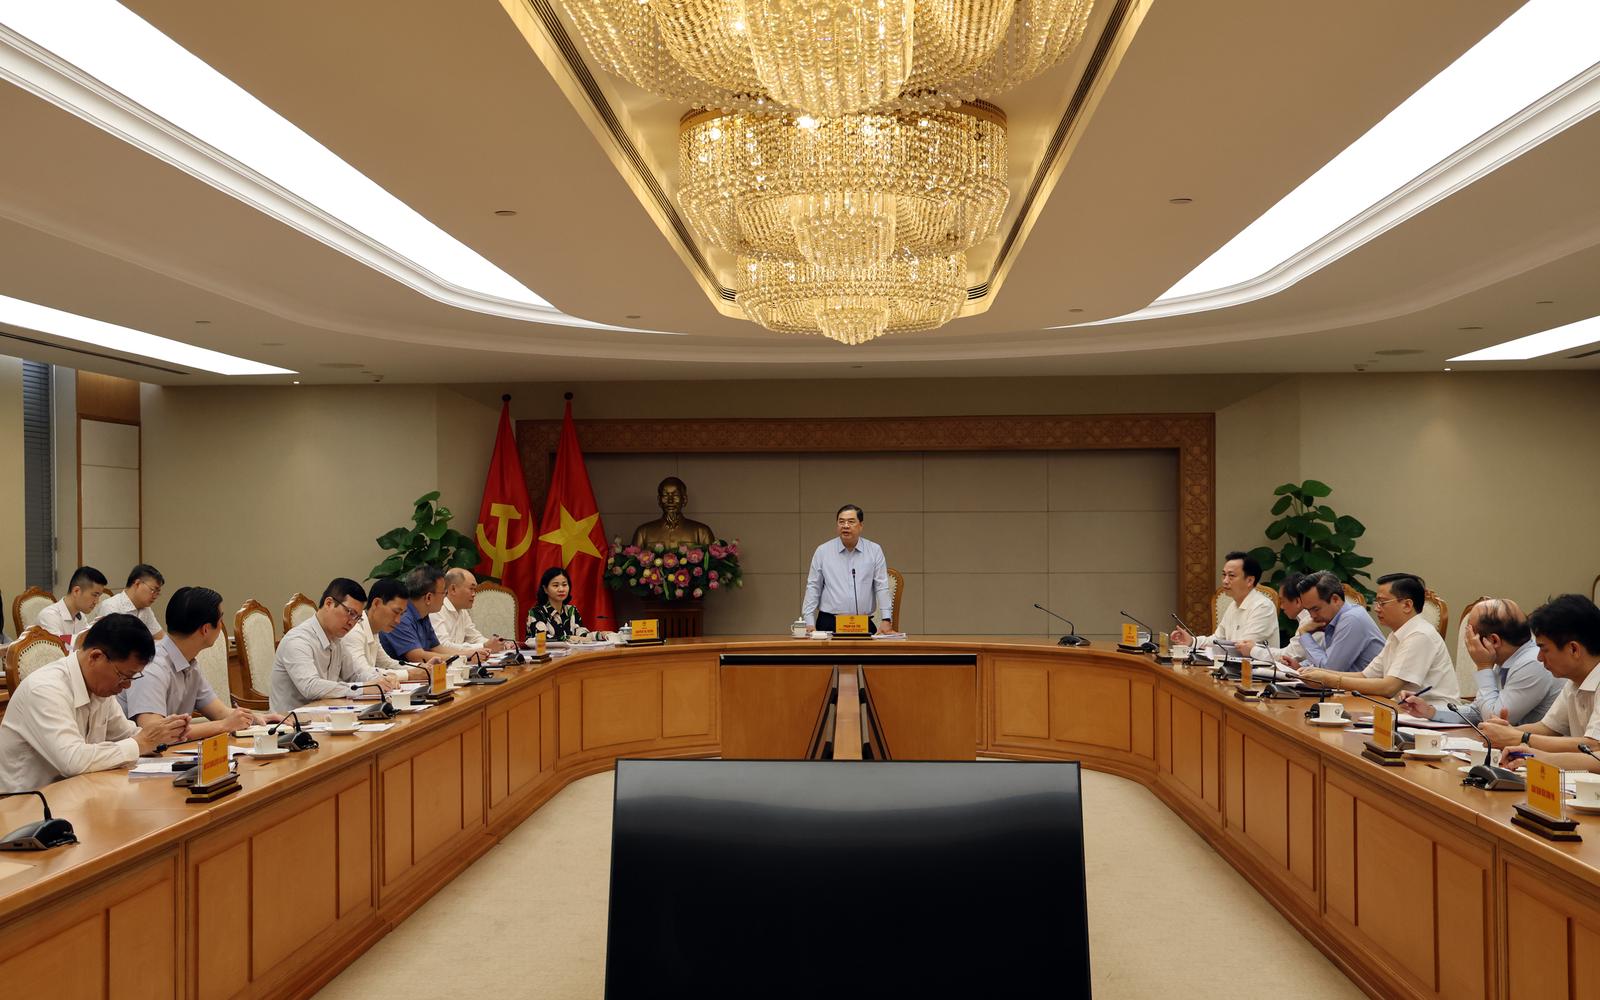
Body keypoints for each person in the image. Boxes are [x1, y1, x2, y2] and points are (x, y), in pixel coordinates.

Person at [0, 614, 188, 793]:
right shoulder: (45, 689)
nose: (127, 685)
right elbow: (73, 761)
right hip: (24, 803)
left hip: (74, 793)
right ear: (95, 657)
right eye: (124, 676)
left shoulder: (100, 688)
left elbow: (127, 734)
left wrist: (163, 735)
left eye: (133, 677)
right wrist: (142, 743)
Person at [119, 586, 277, 739]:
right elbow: (153, 732)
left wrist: (257, 719)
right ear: (206, 629)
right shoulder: (152, 666)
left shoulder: (190, 663)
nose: (221, 625)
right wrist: (224, 725)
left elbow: (220, 713)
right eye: (220, 619)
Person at [1299, 573, 1458, 708]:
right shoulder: (1396, 635)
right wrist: (1317, 673)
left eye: (1382, 603)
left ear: (1407, 605)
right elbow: (1364, 676)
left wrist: (1328, 679)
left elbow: (1388, 687)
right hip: (1405, 712)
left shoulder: (1420, 635)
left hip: (1435, 719)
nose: (1376, 608)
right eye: (1377, 602)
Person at [1399, 597, 1561, 727]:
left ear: (1493, 641)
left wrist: (1483, 666)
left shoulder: (1532, 663)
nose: (1467, 639)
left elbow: (1493, 718)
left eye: (1470, 632)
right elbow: (1478, 712)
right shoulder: (1509, 658)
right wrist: (1430, 711)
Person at [1477, 594, 1600, 762]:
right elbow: (1548, 728)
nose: (1539, 657)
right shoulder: (1575, 681)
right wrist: (1505, 732)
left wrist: (1521, 738)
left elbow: (1594, 746)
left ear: (1573, 649)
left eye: (1544, 649)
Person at [270, 578, 400, 713]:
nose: (352, 622)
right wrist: (362, 688)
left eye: (357, 618)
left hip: (325, 715)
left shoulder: (337, 640)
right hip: (291, 722)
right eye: (350, 613)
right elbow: (310, 687)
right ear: (329, 603)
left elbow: (356, 673)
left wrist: (379, 680)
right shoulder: (297, 640)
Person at [801, 505, 894, 635]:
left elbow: (881, 586)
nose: (845, 526)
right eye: (841, 521)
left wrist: (886, 619)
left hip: (862, 623)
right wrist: (809, 621)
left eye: (851, 521)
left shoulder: (874, 550)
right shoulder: (823, 551)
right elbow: (813, 586)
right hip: (829, 622)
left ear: (861, 525)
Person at [1169, 550, 1274, 652]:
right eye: (1224, 575)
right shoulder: (1233, 605)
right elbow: (1217, 640)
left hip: (1255, 664)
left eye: (1231, 576)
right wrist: (1192, 641)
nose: (1225, 581)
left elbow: (1244, 648)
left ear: (1249, 580)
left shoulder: (1263, 607)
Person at [1283, 571, 1385, 673]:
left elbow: (1329, 670)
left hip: (1372, 684)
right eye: (1308, 610)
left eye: (1316, 609)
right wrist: (1299, 666)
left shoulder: (1352, 619)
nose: (1312, 616)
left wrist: (1304, 633)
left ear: (1335, 599)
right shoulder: (1334, 620)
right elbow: (1328, 657)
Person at [344, 578, 433, 681]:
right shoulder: (354, 629)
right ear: (376, 603)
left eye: (402, 614)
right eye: (396, 612)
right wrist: (409, 674)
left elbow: (386, 663)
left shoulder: (373, 630)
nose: (398, 621)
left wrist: (423, 667)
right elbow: (362, 673)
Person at [380, 565, 456, 663]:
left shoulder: (423, 614)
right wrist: (460, 659)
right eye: (443, 593)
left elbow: (436, 649)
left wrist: (468, 655)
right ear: (428, 597)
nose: (445, 597)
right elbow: (417, 656)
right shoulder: (401, 617)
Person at [1234, 572, 1315, 662]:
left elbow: (1290, 655)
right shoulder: (1232, 605)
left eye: (1282, 601)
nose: (1281, 607)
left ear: (1297, 601)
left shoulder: (1310, 619)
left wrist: (1253, 650)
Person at [430, 568, 515, 656]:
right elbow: (442, 646)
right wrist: (484, 646)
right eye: (471, 589)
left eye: (475, 589)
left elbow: (474, 637)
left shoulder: (462, 611)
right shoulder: (436, 610)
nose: (474, 594)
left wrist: (498, 644)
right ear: (453, 589)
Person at [630, 476, 716, 549]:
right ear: (659, 500)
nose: (670, 501)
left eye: (675, 495)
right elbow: (632, 560)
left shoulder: (702, 532)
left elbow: (712, 562)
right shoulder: (643, 532)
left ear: (684, 500)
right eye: (665, 495)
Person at [36, 565, 109, 643]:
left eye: (99, 596)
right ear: (76, 591)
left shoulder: (81, 616)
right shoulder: (49, 616)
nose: (97, 602)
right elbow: (61, 648)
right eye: (94, 595)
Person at [92, 564, 166, 639]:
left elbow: (160, 637)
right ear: (137, 584)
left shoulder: (145, 608)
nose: (155, 596)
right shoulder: (111, 607)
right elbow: (114, 643)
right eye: (153, 590)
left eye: (158, 592)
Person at [529, 566, 591, 641]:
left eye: (564, 585)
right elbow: (541, 638)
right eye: (555, 585)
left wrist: (600, 635)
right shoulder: (536, 612)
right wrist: (569, 638)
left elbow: (582, 634)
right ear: (545, 589)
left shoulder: (572, 610)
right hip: (545, 649)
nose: (561, 589)